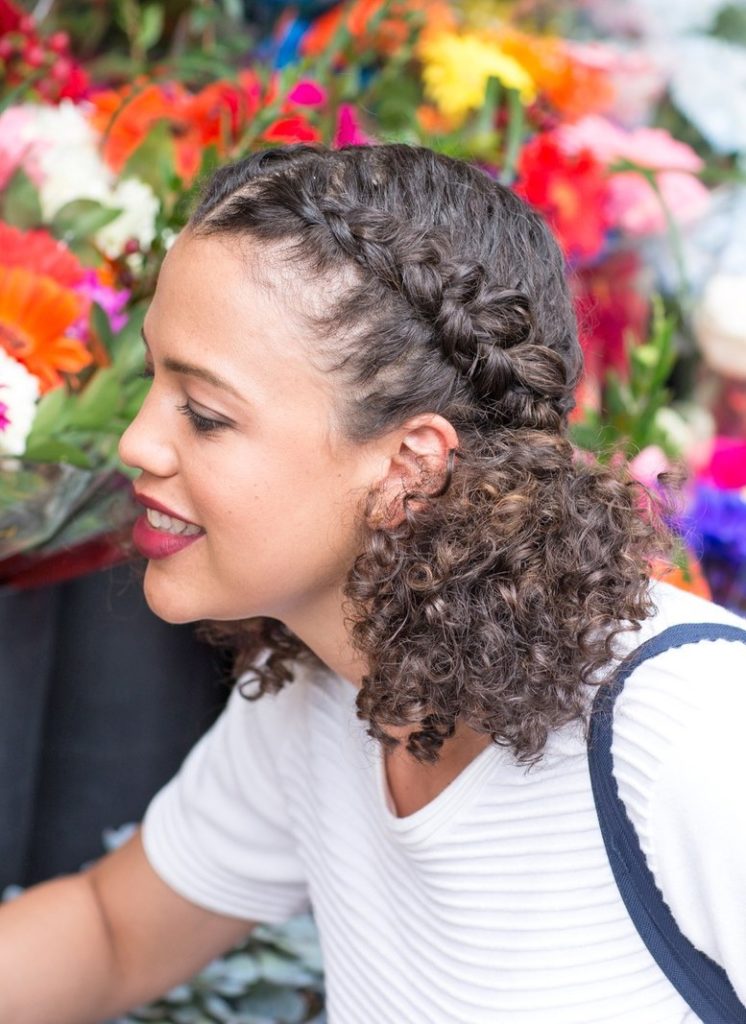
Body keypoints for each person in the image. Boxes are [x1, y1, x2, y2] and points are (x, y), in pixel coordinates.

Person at [0, 143, 744, 1024]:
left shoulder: (695, 739)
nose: (136, 443)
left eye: (205, 414)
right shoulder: (325, 694)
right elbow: (113, 933)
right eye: (152, 382)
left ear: (409, 466)